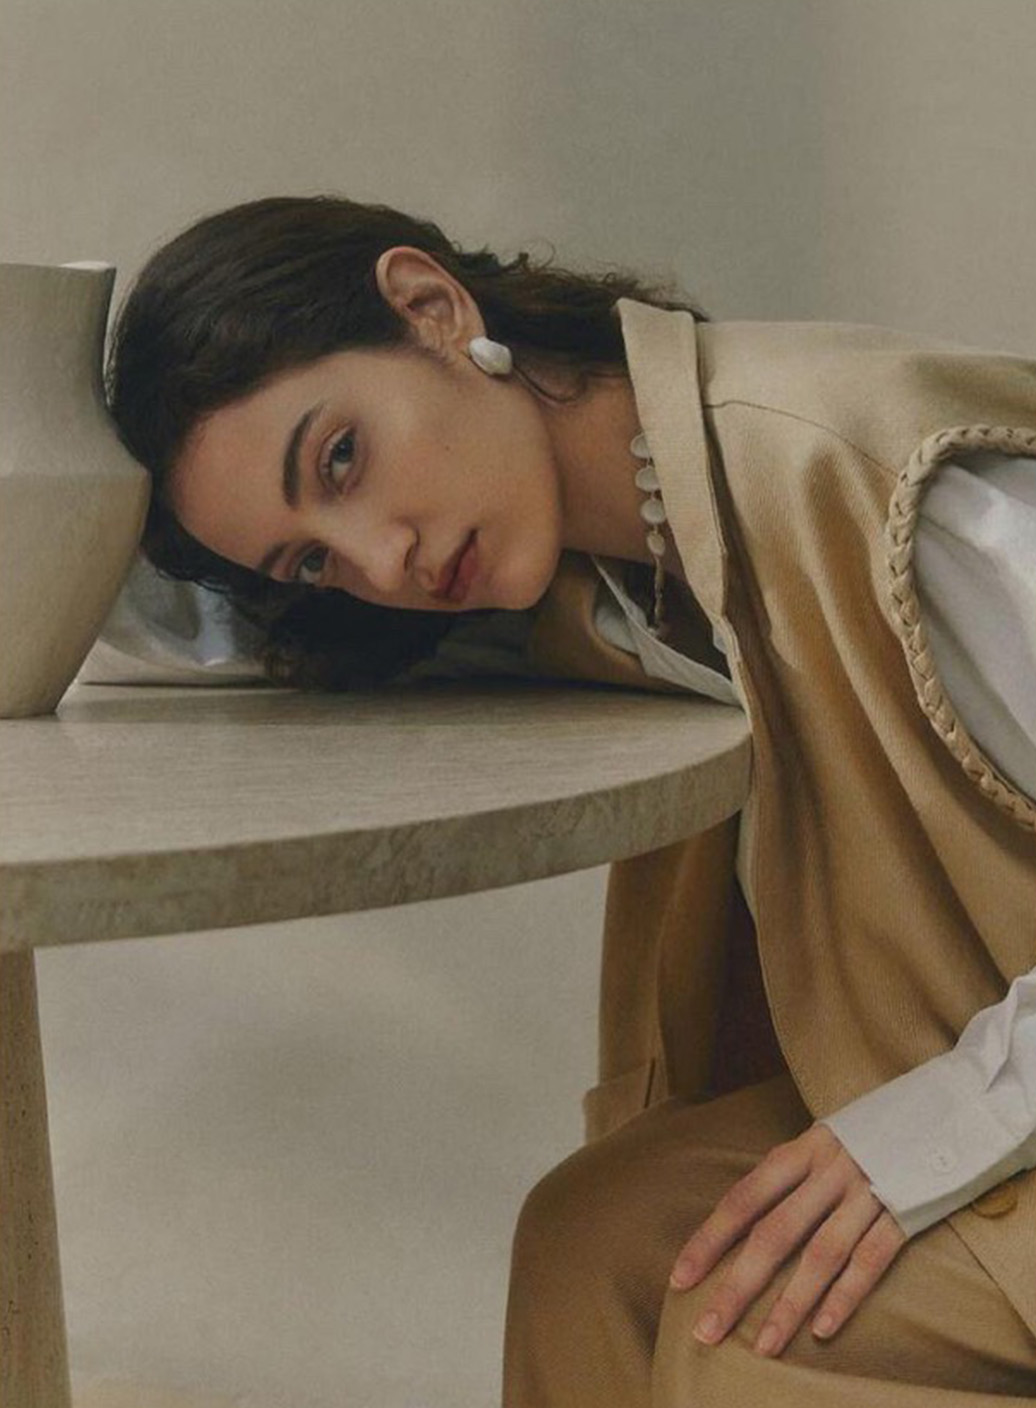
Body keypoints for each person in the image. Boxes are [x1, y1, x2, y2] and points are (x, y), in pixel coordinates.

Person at [106, 195, 1036, 1403]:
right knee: (587, 1240)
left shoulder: (884, 488)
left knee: (745, 1348)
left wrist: (938, 1129)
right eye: (314, 559)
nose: (381, 559)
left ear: (432, 308)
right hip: (963, 1044)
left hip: (998, 1069)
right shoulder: (599, 575)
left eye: (340, 458)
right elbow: (168, 615)